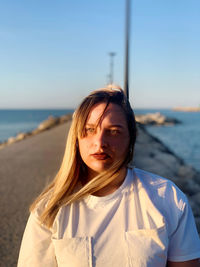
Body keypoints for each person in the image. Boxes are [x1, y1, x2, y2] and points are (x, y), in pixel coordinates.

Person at [18, 86, 200, 267]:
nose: (100, 143)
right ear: (76, 139)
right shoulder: (48, 211)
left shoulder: (167, 198)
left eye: (113, 131)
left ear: (131, 137)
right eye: (89, 130)